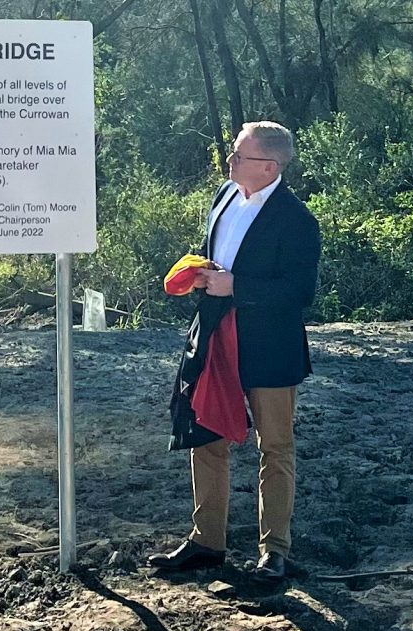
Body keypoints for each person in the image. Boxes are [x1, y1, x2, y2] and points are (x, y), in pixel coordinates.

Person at [150, 121, 321, 582]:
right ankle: (207, 542)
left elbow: (300, 291)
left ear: (269, 166)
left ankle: (275, 552)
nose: (229, 163)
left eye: (238, 156)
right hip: (214, 337)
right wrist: (202, 273)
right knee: (205, 436)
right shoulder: (225, 197)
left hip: (269, 346)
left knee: (276, 447)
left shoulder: (297, 220)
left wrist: (236, 286)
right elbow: (220, 258)